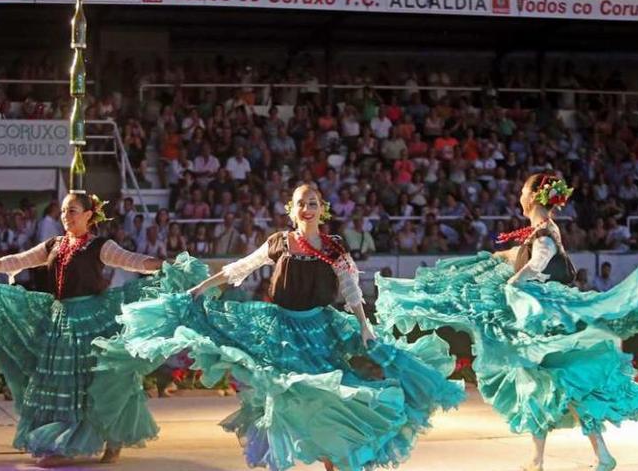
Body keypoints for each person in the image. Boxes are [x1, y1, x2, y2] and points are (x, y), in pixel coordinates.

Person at [88, 184, 464, 471]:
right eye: (301, 202)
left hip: (318, 332)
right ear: (292, 209)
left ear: (322, 209)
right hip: (279, 329)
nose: (307, 207)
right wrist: (200, 288)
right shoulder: (279, 242)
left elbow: (351, 291)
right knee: (279, 396)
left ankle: (335, 459)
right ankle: (283, 459)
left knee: (326, 394)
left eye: (313, 201)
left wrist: (365, 327)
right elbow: (238, 269)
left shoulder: (334, 248)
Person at [375, 173, 638, 471]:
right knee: (540, 385)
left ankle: (593, 455)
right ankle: (546, 458)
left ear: (533, 196)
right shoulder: (538, 232)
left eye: (522, 191)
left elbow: (538, 260)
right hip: (539, 319)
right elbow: (521, 253)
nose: (519, 195)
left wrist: (515, 282)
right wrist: (495, 258)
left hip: (544, 321)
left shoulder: (544, 232)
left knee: (558, 384)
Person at [0, 193, 204, 466]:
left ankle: (112, 439)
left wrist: (168, 266)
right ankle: (62, 444)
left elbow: (134, 260)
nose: (66, 216)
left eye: (73, 211)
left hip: (92, 321)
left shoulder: (101, 246)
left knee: (99, 382)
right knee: (61, 385)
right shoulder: (54, 244)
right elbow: (15, 261)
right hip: (60, 321)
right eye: (64, 211)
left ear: (89, 215)